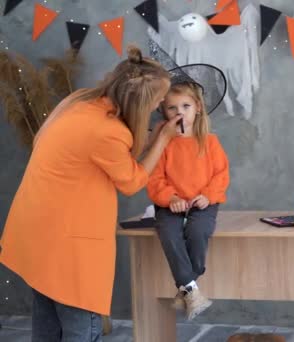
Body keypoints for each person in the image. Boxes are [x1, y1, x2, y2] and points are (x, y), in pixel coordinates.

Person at [0, 45, 182, 341]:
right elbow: (132, 181)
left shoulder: (80, 102)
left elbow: (105, 158)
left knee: (48, 324)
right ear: (141, 100)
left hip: (37, 233)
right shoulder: (108, 131)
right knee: (81, 329)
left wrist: (148, 140)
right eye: (159, 100)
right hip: (68, 246)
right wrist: (161, 139)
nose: (159, 106)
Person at [147, 81, 230, 321]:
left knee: (198, 230)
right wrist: (170, 197)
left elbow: (221, 175)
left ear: (198, 108)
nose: (179, 112)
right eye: (172, 108)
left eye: (185, 106)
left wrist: (208, 196)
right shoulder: (163, 142)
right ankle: (191, 289)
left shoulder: (209, 141)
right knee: (168, 233)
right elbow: (154, 178)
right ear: (164, 112)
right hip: (171, 204)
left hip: (202, 202)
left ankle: (185, 286)